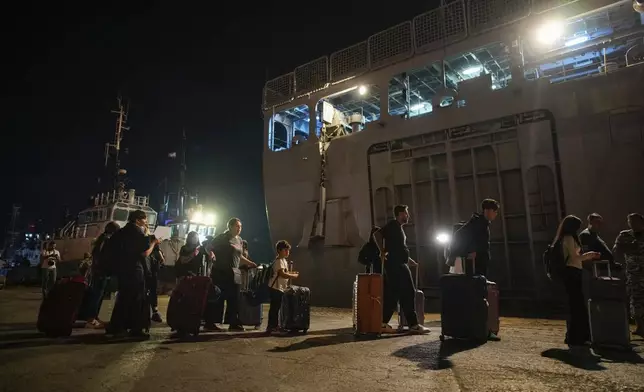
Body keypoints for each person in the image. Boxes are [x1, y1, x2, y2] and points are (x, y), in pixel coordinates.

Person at [374, 205, 430, 334]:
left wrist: (409, 261)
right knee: (409, 292)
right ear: (400, 214)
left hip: (398, 264)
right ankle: (413, 325)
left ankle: (383, 323)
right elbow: (377, 234)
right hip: (397, 265)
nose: (408, 216)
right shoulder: (393, 225)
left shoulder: (398, 228)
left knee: (394, 294)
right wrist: (382, 251)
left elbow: (398, 249)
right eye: (406, 213)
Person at [107, 210, 158, 338]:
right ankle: (136, 329)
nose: (146, 221)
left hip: (122, 269)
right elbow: (144, 253)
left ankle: (117, 327)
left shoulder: (122, 232)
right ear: (137, 220)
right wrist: (154, 242)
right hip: (135, 269)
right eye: (144, 219)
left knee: (123, 298)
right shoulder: (136, 232)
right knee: (137, 299)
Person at [552, 215, 600, 350]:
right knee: (577, 306)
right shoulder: (568, 238)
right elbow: (575, 257)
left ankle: (576, 336)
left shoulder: (568, 238)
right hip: (572, 272)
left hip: (574, 272)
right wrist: (590, 255)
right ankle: (577, 337)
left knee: (576, 305)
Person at [205, 218, 257, 331]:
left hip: (234, 272)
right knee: (218, 297)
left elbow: (239, 256)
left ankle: (233, 322)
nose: (239, 229)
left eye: (240, 226)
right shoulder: (222, 238)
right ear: (230, 226)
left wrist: (251, 263)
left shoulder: (240, 240)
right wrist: (211, 254)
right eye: (237, 226)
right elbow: (208, 247)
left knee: (234, 298)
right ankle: (210, 322)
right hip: (221, 271)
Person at [82, 221, 120, 329]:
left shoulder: (101, 240)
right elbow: (106, 258)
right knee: (97, 296)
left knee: (97, 295)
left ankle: (93, 318)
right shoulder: (107, 241)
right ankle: (91, 319)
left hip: (98, 272)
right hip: (102, 272)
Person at [613, 213, 644, 336]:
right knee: (636, 301)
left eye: (634, 221)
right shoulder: (624, 235)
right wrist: (628, 247)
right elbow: (616, 250)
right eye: (630, 221)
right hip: (634, 275)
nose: (632, 224)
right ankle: (641, 327)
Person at [457, 199, 500, 277]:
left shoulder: (482, 223)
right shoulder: (478, 223)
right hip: (476, 262)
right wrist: (471, 251)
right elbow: (460, 234)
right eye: (495, 211)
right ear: (487, 211)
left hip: (480, 260)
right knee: (476, 282)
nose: (496, 214)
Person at [265, 240, 299, 335]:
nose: (287, 252)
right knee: (275, 308)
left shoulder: (284, 261)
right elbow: (282, 274)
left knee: (277, 308)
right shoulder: (278, 261)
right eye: (285, 250)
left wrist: (292, 273)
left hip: (280, 288)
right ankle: (271, 327)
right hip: (275, 288)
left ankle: (275, 326)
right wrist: (293, 276)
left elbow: (285, 272)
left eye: (288, 250)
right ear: (279, 250)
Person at [146, 232, 165, 323]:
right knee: (152, 292)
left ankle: (151, 312)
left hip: (148, 273)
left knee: (149, 292)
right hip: (151, 273)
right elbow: (162, 260)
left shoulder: (149, 247)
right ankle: (154, 312)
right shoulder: (154, 248)